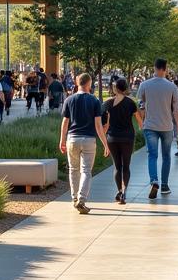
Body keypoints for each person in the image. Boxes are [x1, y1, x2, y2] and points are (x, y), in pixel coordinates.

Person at [58, 72, 107, 213]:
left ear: (77, 83)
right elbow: (98, 125)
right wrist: (105, 143)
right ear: (89, 84)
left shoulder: (69, 100)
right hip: (89, 140)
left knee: (73, 170)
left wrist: (62, 140)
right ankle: (82, 199)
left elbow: (64, 123)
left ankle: (74, 199)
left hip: (72, 139)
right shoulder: (95, 101)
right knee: (86, 171)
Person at [137, 57, 178, 199]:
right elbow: (175, 110)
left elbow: (140, 104)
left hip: (150, 125)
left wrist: (142, 119)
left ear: (154, 68)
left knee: (152, 155)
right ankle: (165, 185)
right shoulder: (172, 87)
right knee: (166, 156)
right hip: (167, 126)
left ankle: (154, 180)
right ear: (165, 68)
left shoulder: (144, 85)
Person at [102, 76, 140, 204]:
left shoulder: (108, 103)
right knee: (126, 166)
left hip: (112, 137)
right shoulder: (131, 103)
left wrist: (104, 142)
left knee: (117, 167)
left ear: (115, 88)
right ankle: (124, 192)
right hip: (128, 137)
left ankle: (119, 190)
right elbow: (140, 121)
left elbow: (105, 124)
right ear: (126, 88)